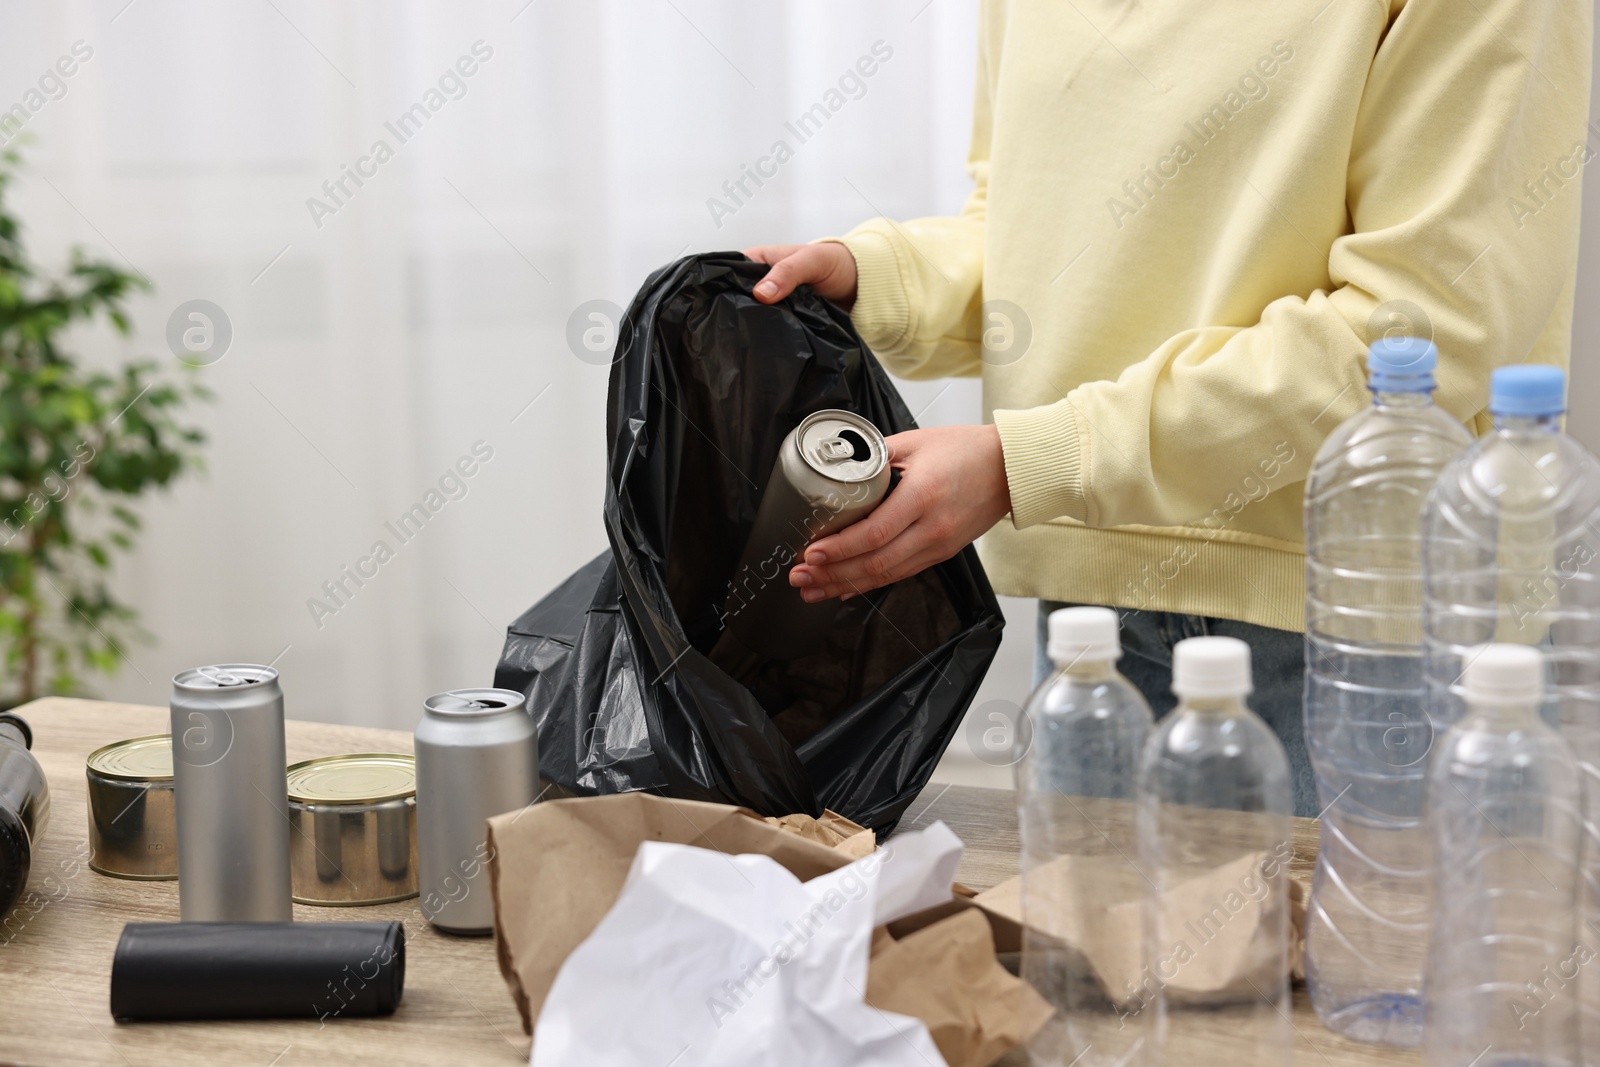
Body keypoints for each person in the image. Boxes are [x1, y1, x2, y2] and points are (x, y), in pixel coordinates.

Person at [745, 0, 1591, 816]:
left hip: (1363, 635)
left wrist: (1036, 460)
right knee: (1095, 961)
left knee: (1361, 964)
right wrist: (874, 279)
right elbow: (1026, 227)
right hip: (1096, 615)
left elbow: (1421, 327)